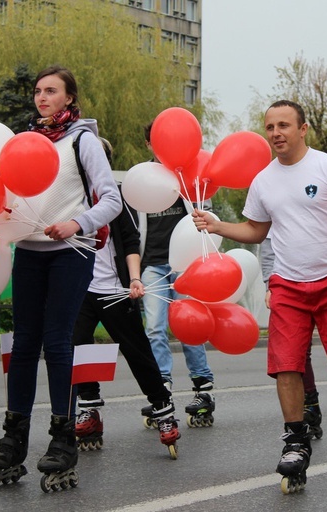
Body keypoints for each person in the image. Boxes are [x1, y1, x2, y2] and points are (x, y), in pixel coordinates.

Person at [192, 100, 327, 496]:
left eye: (284, 125)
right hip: (288, 284)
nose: (276, 133)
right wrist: (219, 226)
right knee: (286, 367)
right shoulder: (263, 180)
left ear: (303, 129)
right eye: (270, 127)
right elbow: (256, 230)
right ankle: (296, 441)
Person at [0, 65, 122, 491]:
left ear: (68, 97)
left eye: (51, 91)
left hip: (70, 252)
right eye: (38, 91)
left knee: (58, 341)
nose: (42, 97)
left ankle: (63, 439)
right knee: (24, 342)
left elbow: (113, 199)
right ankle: (14, 438)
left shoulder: (83, 140)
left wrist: (77, 223)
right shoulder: (23, 142)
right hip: (28, 250)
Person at [72, 184, 180, 458]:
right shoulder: (66, 196)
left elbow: (130, 240)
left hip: (115, 290)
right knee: (78, 347)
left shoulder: (112, 197)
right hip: (79, 290)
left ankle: (163, 410)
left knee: (137, 351)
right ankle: (89, 409)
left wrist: (134, 278)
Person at [138, 121, 216, 428]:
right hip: (153, 265)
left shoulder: (188, 176)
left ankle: (203, 388)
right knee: (154, 329)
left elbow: (207, 217)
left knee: (188, 327)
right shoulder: (142, 178)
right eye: (155, 143)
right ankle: (162, 389)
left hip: (184, 264)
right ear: (149, 145)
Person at [260, 233, 327, 439]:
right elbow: (268, 244)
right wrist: (269, 283)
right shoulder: (275, 201)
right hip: (290, 283)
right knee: (296, 352)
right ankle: (310, 404)